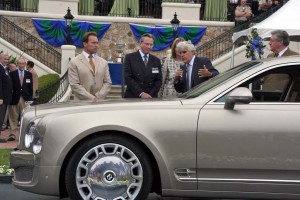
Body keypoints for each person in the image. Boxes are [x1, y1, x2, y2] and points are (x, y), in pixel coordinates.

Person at [68, 31, 112, 102]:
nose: (96, 45)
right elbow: (74, 85)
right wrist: (92, 98)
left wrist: (98, 96)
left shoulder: (103, 62)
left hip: (99, 103)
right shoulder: (74, 62)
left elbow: (108, 82)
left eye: (97, 43)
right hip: (81, 104)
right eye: (93, 43)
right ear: (85, 44)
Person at [123, 33, 162, 98]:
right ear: (140, 43)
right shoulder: (130, 58)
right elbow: (128, 78)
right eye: (146, 44)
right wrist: (141, 93)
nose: (149, 47)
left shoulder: (156, 61)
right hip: (133, 96)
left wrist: (150, 95)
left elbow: (158, 80)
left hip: (151, 97)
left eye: (151, 44)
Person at [8, 57, 33, 141]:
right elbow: (10, 87)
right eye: (20, 63)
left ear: (25, 64)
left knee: (25, 117)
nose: (21, 65)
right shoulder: (12, 73)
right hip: (14, 98)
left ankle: (24, 135)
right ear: (17, 64)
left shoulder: (29, 74)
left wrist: (30, 98)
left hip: (25, 99)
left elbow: (30, 87)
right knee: (13, 117)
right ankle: (12, 134)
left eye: (23, 64)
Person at [0, 54, 13, 143]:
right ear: (0, 59)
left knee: (1, 118)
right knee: (0, 118)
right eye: (5, 59)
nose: (6, 61)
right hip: (1, 99)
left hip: (5, 99)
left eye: (8, 59)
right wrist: (0, 97)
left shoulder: (5, 69)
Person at [2, 63, 17, 131]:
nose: (15, 69)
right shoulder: (5, 72)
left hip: (10, 97)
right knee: (3, 114)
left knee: (6, 113)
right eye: (14, 67)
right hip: (4, 98)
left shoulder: (8, 72)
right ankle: (3, 125)